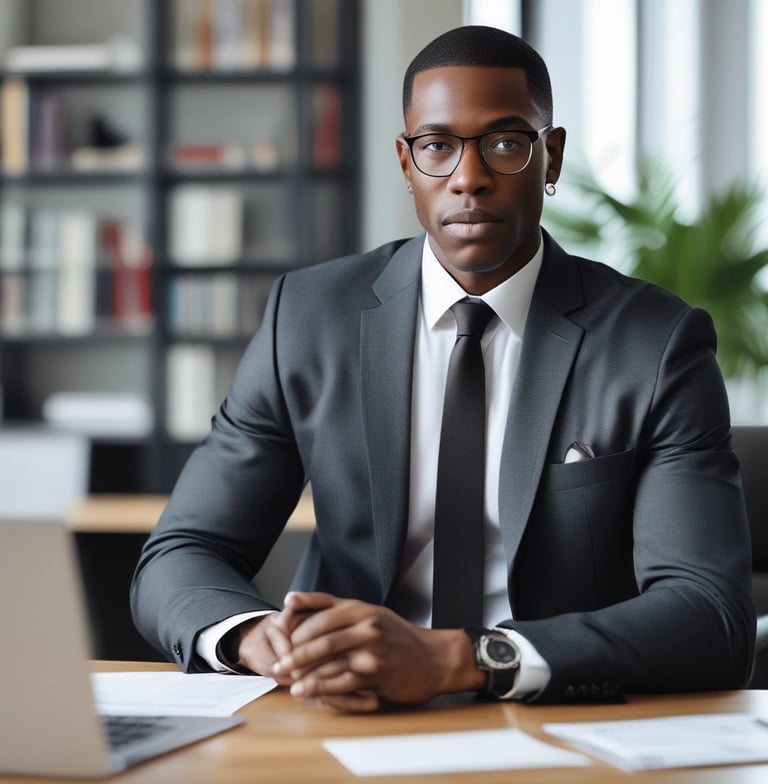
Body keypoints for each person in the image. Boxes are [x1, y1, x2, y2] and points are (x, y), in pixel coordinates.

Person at [131, 25, 755, 713]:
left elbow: (709, 616)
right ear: (406, 164)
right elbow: (182, 553)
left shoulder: (655, 344)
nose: (468, 177)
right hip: (342, 714)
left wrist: (462, 659)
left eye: (506, 143)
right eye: (436, 146)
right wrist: (258, 637)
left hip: (549, 716)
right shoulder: (309, 320)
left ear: (551, 158)